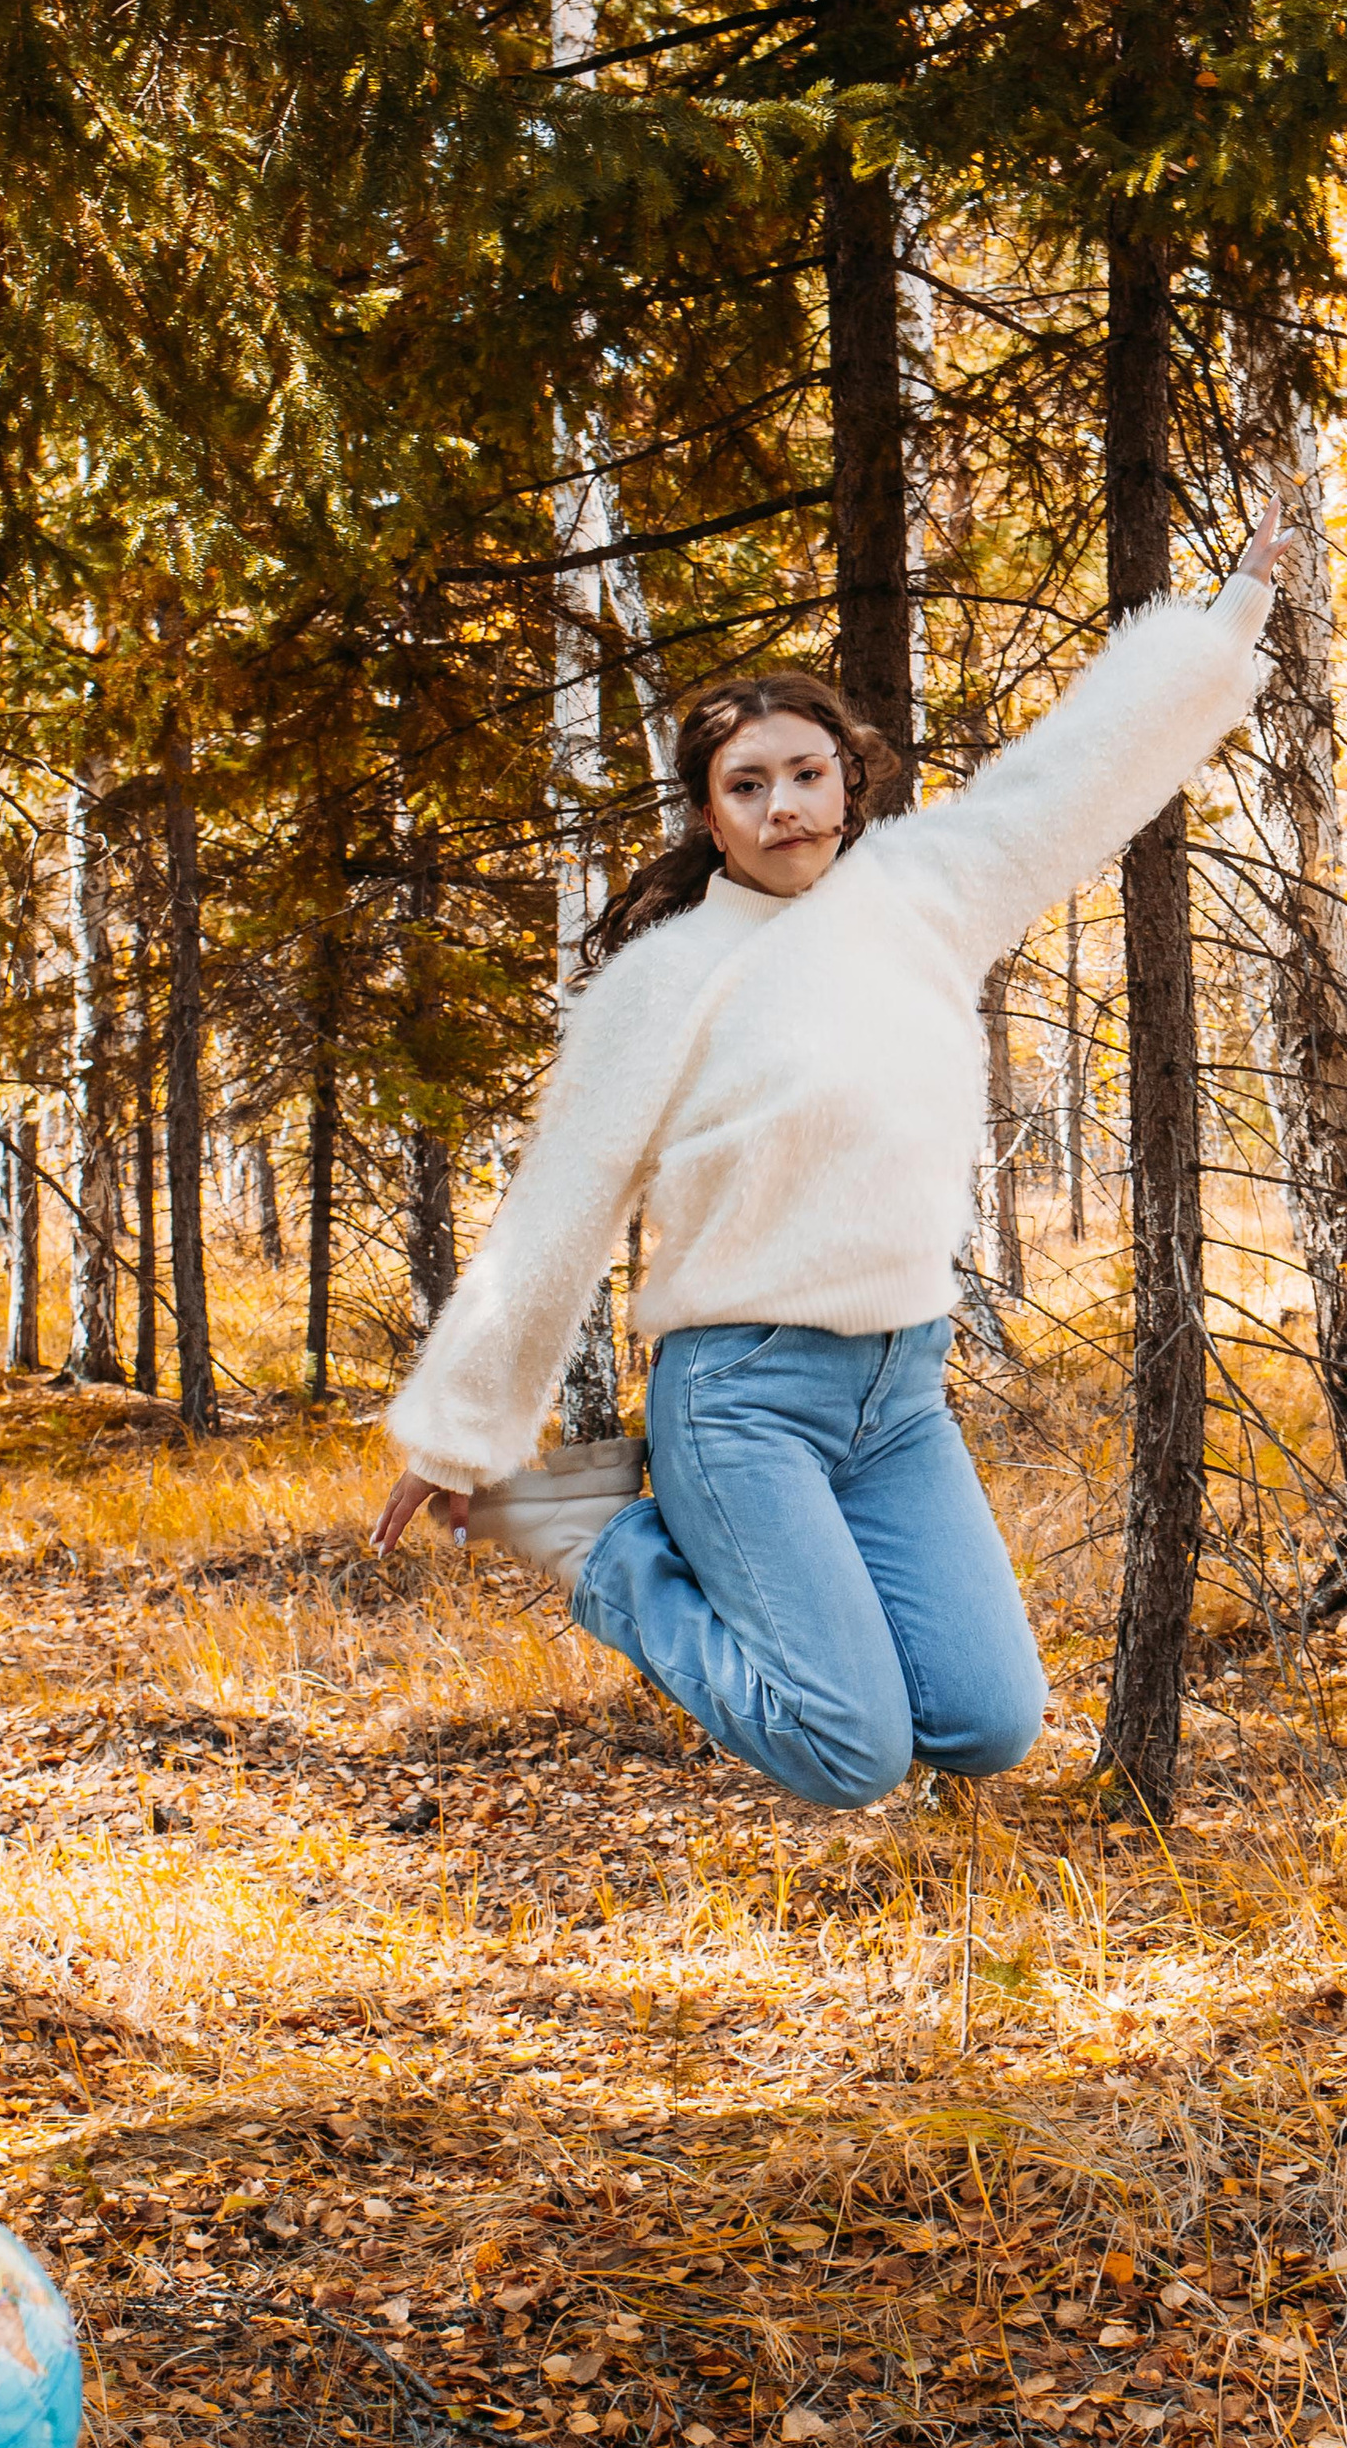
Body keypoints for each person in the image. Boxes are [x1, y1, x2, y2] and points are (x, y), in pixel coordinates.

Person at [371, 494, 1287, 1807]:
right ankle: (587, 1530)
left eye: (805, 775)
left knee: (986, 1723)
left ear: (849, 784)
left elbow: (1084, 773)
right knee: (847, 1752)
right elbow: (557, 1208)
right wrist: (463, 1438)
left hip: (902, 1392)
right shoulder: (666, 979)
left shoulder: (929, 890)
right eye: (747, 786)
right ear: (709, 811)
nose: (784, 806)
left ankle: (680, 1529)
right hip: (741, 1395)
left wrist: (1231, 616)